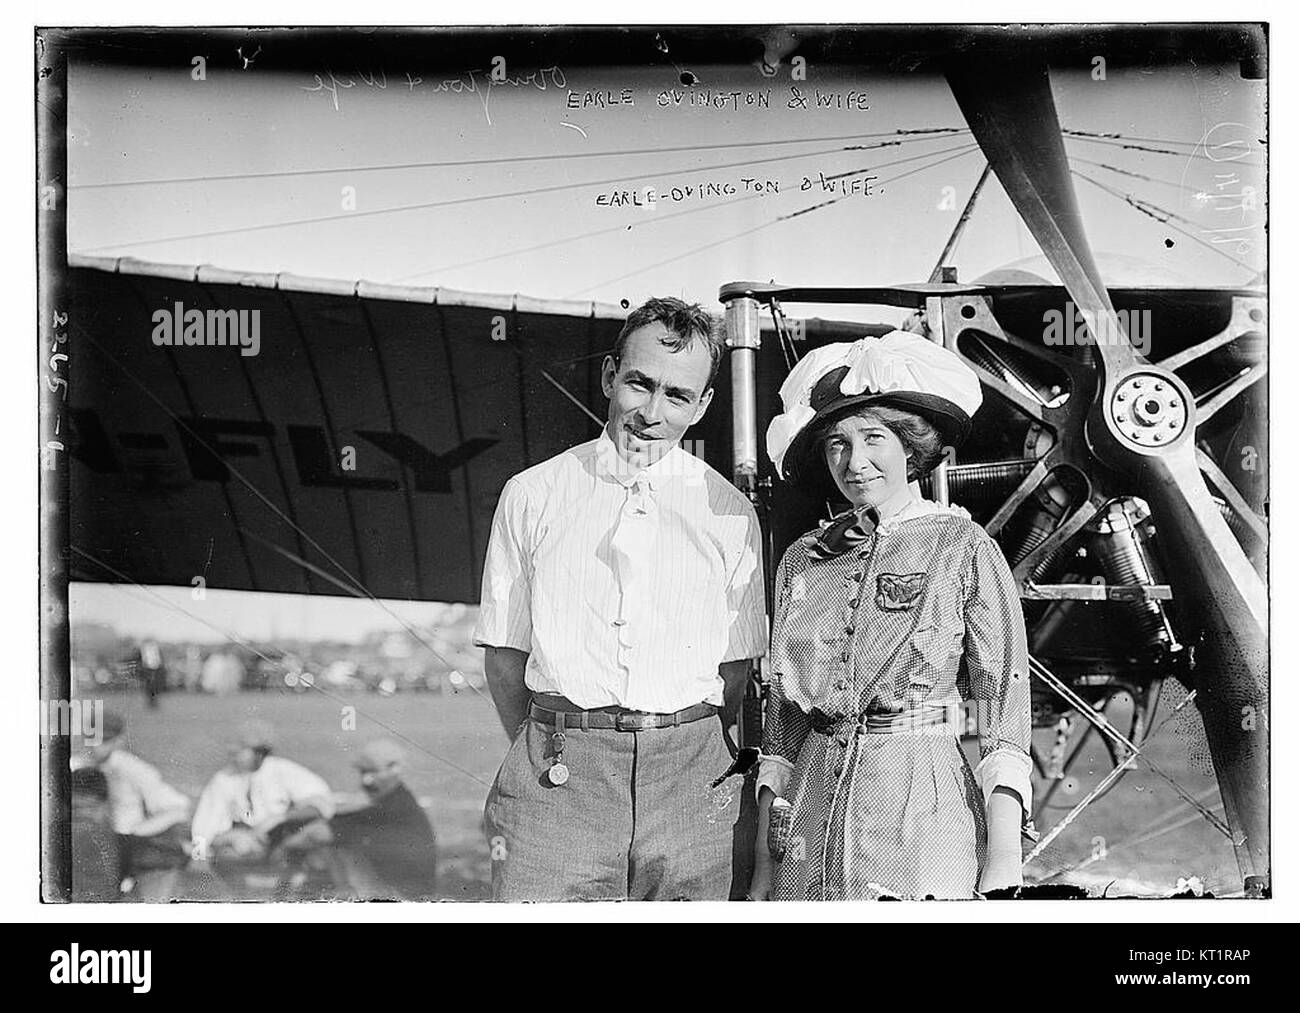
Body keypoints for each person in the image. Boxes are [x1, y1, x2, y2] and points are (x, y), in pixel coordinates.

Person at [475, 296, 767, 901]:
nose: (651, 413)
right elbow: (505, 658)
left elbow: (734, 672)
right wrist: (570, 742)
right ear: (611, 377)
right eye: (640, 383)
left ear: (703, 406)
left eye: (678, 396)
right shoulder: (531, 494)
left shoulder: (730, 514)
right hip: (559, 779)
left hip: (694, 782)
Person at [750, 331, 1033, 901]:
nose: (854, 463)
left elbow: (1003, 713)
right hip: (807, 816)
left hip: (919, 805)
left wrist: (1004, 861)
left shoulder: (962, 545)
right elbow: (781, 732)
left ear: (910, 447)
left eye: (873, 438)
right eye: (836, 443)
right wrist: (762, 871)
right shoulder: (805, 558)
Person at [190, 720, 336, 873]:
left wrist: (279, 819)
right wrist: (200, 854)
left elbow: (321, 805)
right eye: (232, 751)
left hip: (282, 836)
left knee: (318, 838)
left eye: (240, 751)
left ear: (259, 752)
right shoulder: (223, 779)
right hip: (244, 840)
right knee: (229, 854)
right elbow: (205, 823)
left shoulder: (283, 770)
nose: (233, 755)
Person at [77, 710, 191, 899]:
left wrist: (139, 830)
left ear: (118, 741)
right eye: (89, 738)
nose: (94, 746)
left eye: (103, 740)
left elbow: (179, 808)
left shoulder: (133, 769)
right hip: (90, 842)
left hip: (126, 842)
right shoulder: (78, 764)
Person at [330, 738, 439, 900]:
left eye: (373, 772)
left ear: (394, 770)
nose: (366, 781)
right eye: (362, 772)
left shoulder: (395, 809)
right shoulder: (399, 803)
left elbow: (320, 833)